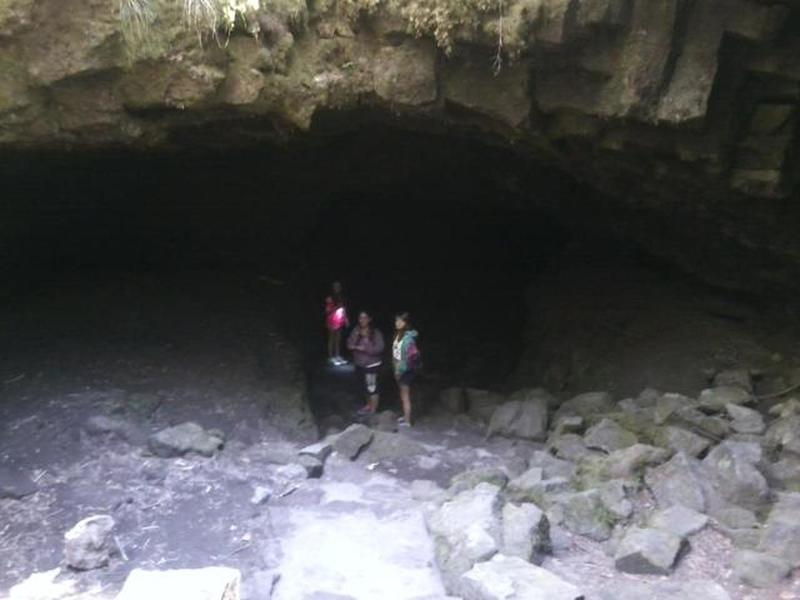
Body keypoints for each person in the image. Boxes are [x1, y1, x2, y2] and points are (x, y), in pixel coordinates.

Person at [347, 311, 385, 415]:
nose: (362, 320)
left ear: (369, 319)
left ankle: (373, 411)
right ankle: (368, 406)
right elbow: (349, 343)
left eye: (365, 318)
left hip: (372, 365)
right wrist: (353, 346)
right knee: (364, 387)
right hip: (359, 364)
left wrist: (365, 348)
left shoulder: (375, 333)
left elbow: (380, 348)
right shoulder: (356, 330)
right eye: (360, 318)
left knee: (372, 388)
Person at [392, 312, 420, 427]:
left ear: (406, 323)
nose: (397, 323)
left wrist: (399, 371)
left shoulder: (408, 339)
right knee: (402, 394)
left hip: (406, 370)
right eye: (396, 321)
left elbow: (407, 359)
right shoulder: (398, 335)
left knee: (405, 395)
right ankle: (405, 416)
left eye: (400, 321)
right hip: (399, 368)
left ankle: (407, 421)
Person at [324, 281, 349, 365]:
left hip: (339, 319)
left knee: (338, 338)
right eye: (335, 286)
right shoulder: (330, 297)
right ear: (333, 287)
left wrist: (346, 319)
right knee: (332, 338)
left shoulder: (341, 297)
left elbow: (343, 308)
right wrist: (336, 307)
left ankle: (337, 355)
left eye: (338, 286)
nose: (337, 287)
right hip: (331, 319)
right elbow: (327, 310)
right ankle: (331, 357)